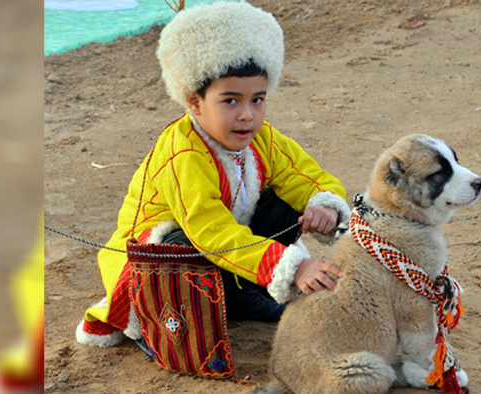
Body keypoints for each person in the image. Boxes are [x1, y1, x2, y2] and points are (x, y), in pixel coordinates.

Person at [76, 1, 350, 348]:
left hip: (222, 248)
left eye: (258, 99)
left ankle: (240, 295)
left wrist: (324, 206)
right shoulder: (183, 153)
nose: (248, 115)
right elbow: (211, 233)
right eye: (231, 101)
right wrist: (292, 266)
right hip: (156, 259)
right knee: (177, 247)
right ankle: (160, 323)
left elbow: (306, 176)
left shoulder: (262, 138)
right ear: (194, 102)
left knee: (284, 201)